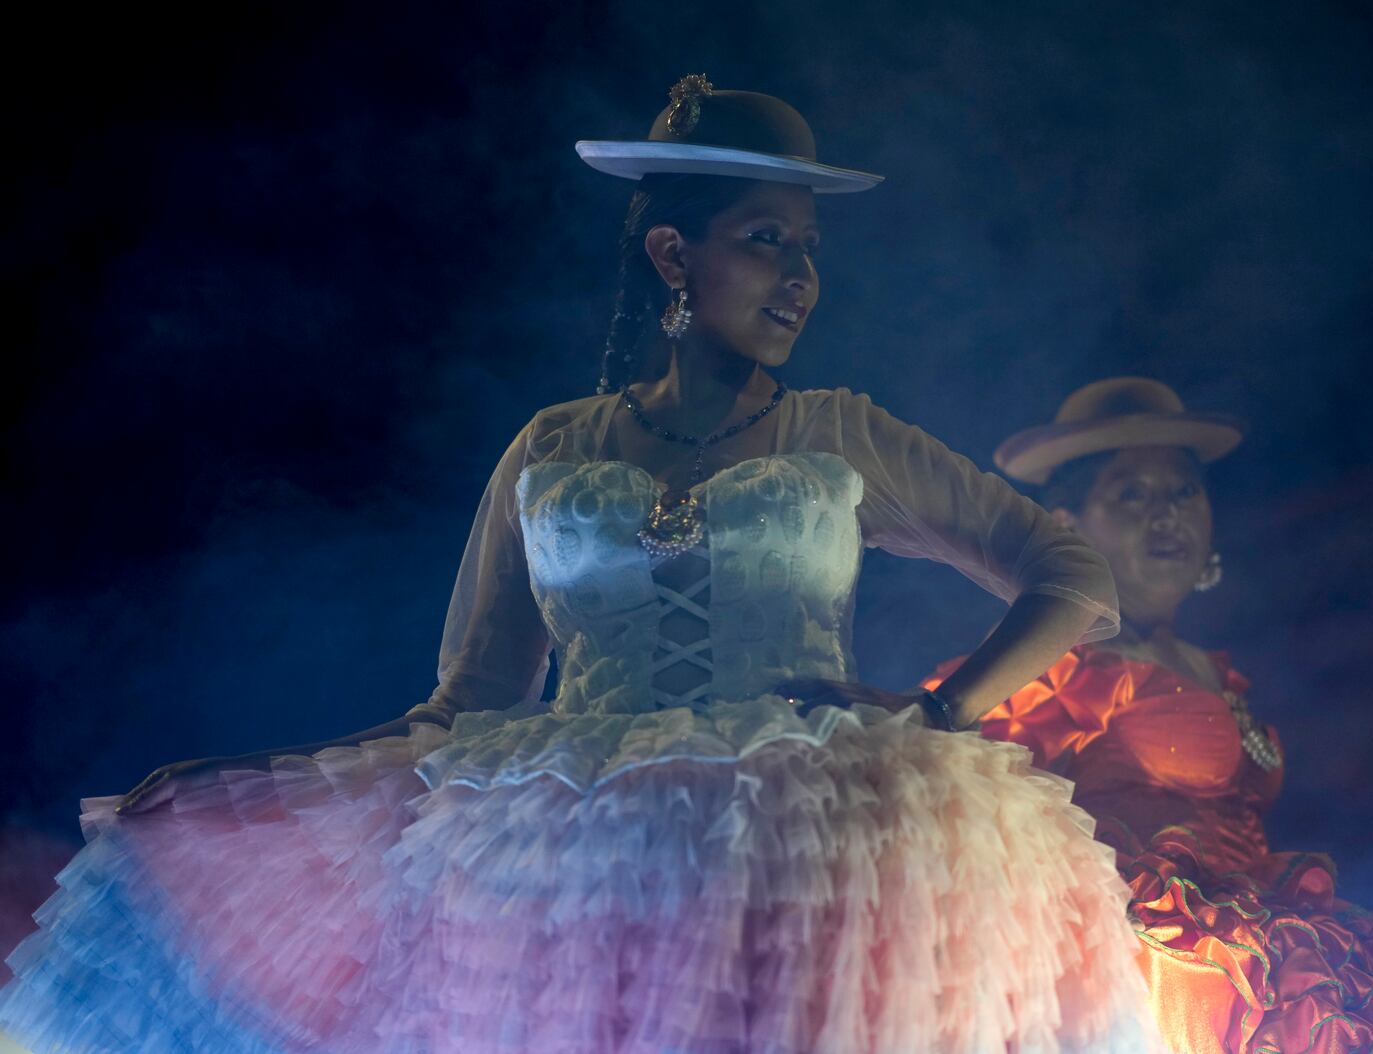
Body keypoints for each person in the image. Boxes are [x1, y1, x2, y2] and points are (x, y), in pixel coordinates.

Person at [0, 79, 1159, 1054]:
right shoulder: (550, 447)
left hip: (809, 846)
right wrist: (240, 791)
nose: (800, 277)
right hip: (570, 865)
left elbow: (1068, 571)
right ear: (671, 251)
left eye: (808, 250)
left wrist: (943, 707)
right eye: (766, 241)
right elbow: (470, 702)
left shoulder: (843, 431)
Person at [930, 377, 1373, 1053]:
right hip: (1160, 977)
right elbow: (944, 766)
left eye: (1182, 491)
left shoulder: (1218, 670)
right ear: (1067, 527)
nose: (1164, 515)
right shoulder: (1055, 673)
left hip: (1276, 960)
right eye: (1129, 494)